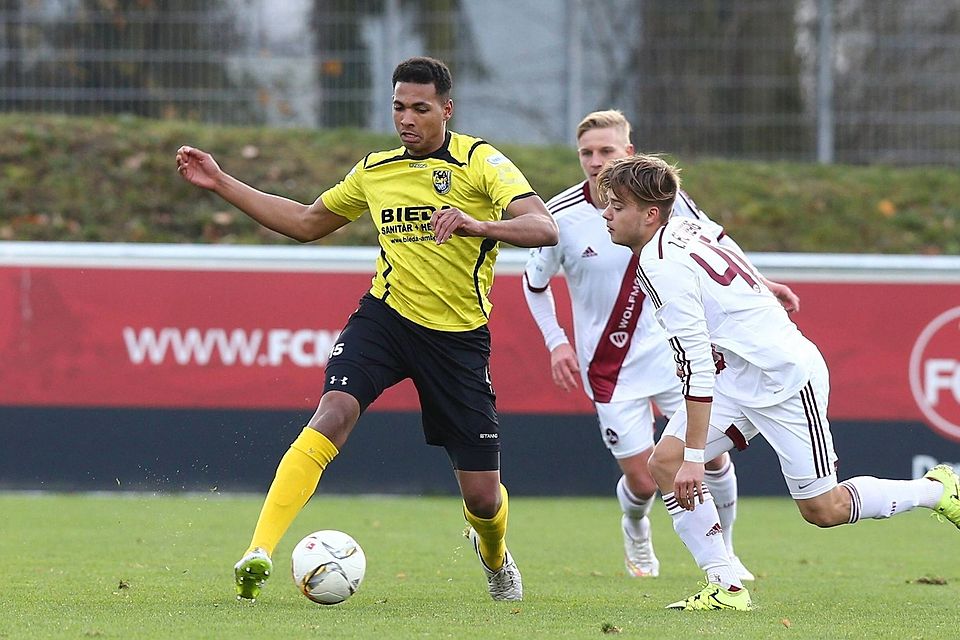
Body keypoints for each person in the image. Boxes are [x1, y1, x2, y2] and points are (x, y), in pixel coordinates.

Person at [175, 56, 558, 603]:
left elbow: (543, 227)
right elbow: (307, 223)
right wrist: (220, 183)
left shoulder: (480, 162)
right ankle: (258, 550)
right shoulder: (376, 170)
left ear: (447, 110)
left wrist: (479, 224)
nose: (407, 119)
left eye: (420, 109)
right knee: (334, 411)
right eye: (399, 107)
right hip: (386, 318)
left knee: (483, 500)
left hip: (457, 340)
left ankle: (495, 556)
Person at [598, 153, 960, 611]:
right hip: (739, 375)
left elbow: (696, 366)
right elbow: (723, 246)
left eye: (616, 206)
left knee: (823, 510)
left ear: (650, 214)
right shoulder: (686, 226)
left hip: (784, 380)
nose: (605, 214)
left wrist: (696, 458)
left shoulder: (661, 265)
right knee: (664, 462)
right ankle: (726, 586)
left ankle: (936, 490)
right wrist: (766, 285)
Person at [522, 110, 798, 580]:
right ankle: (636, 527)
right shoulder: (558, 216)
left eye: (606, 151)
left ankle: (725, 555)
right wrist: (557, 343)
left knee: (711, 456)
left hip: (675, 359)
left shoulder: (666, 202)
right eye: (586, 153)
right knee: (645, 479)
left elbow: (718, 245)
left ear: (627, 152)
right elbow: (534, 284)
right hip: (608, 368)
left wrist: (762, 282)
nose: (594, 161)